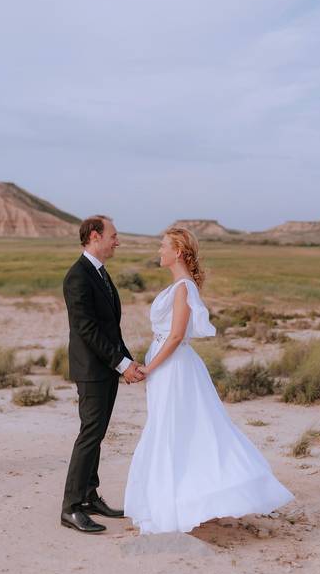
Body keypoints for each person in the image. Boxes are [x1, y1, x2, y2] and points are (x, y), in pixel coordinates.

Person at [124, 227, 294, 534]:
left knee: (174, 429)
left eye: (163, 246)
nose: (159, 252)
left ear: (177, 252)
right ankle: (185, 497)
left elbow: (176, 336)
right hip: (169, 365)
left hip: (173, 368)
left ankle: (183, 502)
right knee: (176, 428)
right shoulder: (179, 286)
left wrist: (150, 368)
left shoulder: (183, 288)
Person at [60, 215, 145, 534]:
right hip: (92, 370)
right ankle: (70, 507)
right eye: (113, 235)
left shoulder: (100, 273)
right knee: (89, 435)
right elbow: (87, 330)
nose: (117, 241)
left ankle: (89, 496)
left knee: (97, 434)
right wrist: (121, 364)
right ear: (95, 236)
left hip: (105, 367)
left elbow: (111, 328)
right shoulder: (78, 276)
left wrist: (125, 361)